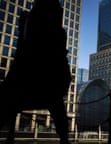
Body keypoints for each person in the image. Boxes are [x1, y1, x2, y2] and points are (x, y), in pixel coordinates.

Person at [0, 0, 71, 144]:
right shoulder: (56, 32)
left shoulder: (42, 28)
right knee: (56, 105)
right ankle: (64, 138)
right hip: (44, 82)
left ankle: (64, 138)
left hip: (39, 81)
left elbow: (22, 52)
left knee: (7, 102)